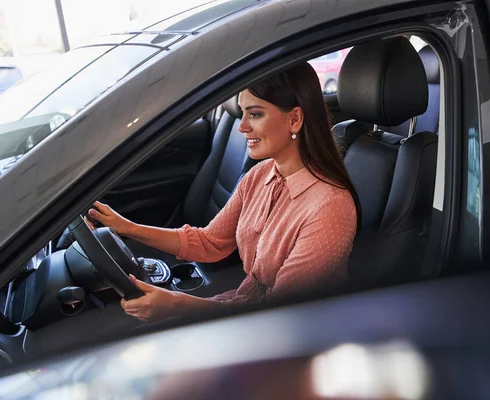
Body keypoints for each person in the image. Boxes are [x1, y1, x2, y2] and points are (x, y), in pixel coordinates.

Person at [87, 62, 361, 322]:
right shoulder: (260, 175)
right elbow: (210, 243)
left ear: (295, 119)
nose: (242, 127)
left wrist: (175, 305)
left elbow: (279, 317)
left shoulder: (330, 206)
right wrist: (126, 228)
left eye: (255, 114)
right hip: (240, 311)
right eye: (242, 114)